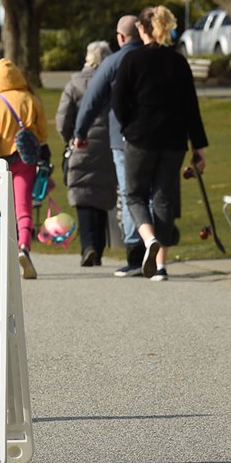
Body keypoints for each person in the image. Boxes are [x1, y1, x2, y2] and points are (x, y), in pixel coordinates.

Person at [111, 5, 209, 282]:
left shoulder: (131, 61)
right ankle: (162, 265)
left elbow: (118, 101)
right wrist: (197, 146)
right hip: (174, 139)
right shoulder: (178, 62)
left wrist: (129, 126)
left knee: (135, 195)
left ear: (141, 28)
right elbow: (191, 107)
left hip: (141, 137)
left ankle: (148, 238)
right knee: (164, 197)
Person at [73, 14, 145, 277]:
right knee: (152, 193)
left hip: (122, 137)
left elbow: (92, 100)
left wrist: (80, 131)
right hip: (157, 138)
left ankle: (135, 251)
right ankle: (155, 248)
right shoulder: (154, 58)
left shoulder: (114, 62)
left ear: (121, 37)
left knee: (129, 194)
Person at [0, 58, 49, 279]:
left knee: (0, 210)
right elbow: (42, 134)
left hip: (1, 164)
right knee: (23, 208)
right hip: (25, 160)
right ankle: (24, 248)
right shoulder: (31, 100)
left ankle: (0, 256)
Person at [56, 41, 116, 266]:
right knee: (102, 196)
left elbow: (63, 119)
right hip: (108, 146)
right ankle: (98, 250)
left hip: (82, 144)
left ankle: (88, 246)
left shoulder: (74, 84)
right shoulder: (112, 82)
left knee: (83, 196)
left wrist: (69, 138)